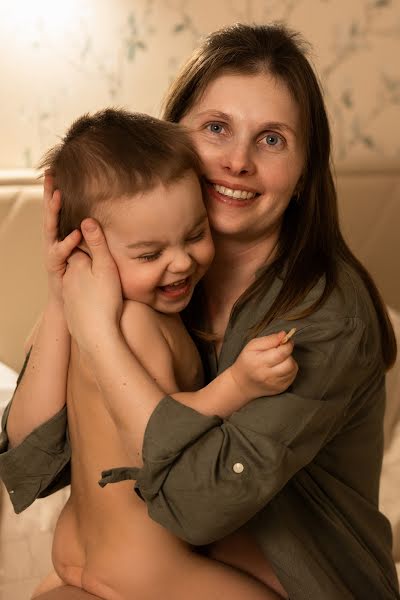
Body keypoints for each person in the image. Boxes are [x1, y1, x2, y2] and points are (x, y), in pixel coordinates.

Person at [0, 21, 399, 600]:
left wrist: (101, 338)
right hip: (160, 567)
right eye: (216, 128)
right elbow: (32, 463)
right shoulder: (150, 280)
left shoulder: (328, 313)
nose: (237, 161)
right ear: (174, 139)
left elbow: (198, 505)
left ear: (306, 169)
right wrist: (67, 296)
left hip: (299, 577)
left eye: (271, 139)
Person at [3, 108, 298, 600]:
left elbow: (34, 424)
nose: (181, 262)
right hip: (142, 563)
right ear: (83, 248)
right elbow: (160, 435)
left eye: (195, 235)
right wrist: (237, 385)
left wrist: (59, 296)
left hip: (76, 547)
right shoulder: (137, 323)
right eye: (148, 254)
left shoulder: (79, 317)